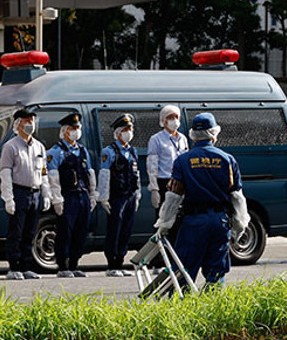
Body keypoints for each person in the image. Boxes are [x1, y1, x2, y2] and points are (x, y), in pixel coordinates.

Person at [155, 113, 249, 288]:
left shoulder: (183, 160)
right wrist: (239, 226)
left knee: (182, 271)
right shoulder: (227, 160)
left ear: (192, 135)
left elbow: (174, 197)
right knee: (216, 271)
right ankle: (211, 309)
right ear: (214, 133)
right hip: (219, 221)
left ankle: (181, 310)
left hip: (193, 223)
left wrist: (164, 224)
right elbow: (237, 197)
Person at [0, 108, 51, 280]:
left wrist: (47, 193)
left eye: (32, 121)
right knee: (16, 232)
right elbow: (5, 173)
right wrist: (8, 198)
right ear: (18, 124)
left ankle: (26, 266)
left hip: (35, 193)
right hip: (19, 192)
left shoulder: (39, 146)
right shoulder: (10, 147)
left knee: (30, 232)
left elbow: (43, 172)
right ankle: (14, 267)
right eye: (26, 120)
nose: (30, 124)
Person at [47, 110, 97, 278]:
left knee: (81, 231)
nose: (76, 131)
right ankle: (62, 266)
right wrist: (57, 199)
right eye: (73, 128)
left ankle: (75, 263)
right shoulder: (56, 152)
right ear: (65, 131)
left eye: (78, 127)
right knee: (65, 231)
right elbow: (52, 177)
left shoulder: (83, 151)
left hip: (82, 195)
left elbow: (90, 173)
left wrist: (92, 195)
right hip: (67, 196)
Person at [97, 113, 141, 277]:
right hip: (117, 196)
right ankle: (111, 264)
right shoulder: (109, 151)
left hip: (129, 195)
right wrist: (104, 197)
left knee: (126, 230)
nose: (129, 132)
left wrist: (137, 194)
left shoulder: (133, 151)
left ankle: (120, 261)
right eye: (126, 129)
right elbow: (104, 174)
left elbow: (136, 174)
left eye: (130, 129)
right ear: (118, 133)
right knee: (114, 228)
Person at [147, 105, 188, 210]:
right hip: (165, 182)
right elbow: (152, 165)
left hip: (181, 181)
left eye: (176, 117)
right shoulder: (156, 139)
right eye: (170, 117)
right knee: (164, 218)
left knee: (181, 215)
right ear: (163, 120)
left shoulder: (182, 138)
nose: (174, 120)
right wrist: (154, 189)